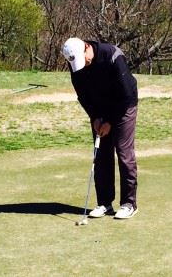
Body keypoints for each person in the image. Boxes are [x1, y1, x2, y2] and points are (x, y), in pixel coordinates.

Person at [62, 37, 138, 219]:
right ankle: (105, 203)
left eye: (84, 60)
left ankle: (129, 204)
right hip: (99, 109)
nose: (84, 65)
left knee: (123, 152)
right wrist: (95, 118)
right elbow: (83, 96)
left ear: (87, 48)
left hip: (124, 106)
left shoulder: (112, 56)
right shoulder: (75, 64)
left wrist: (109, 122)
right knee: (101, 153)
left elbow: (126, 94)